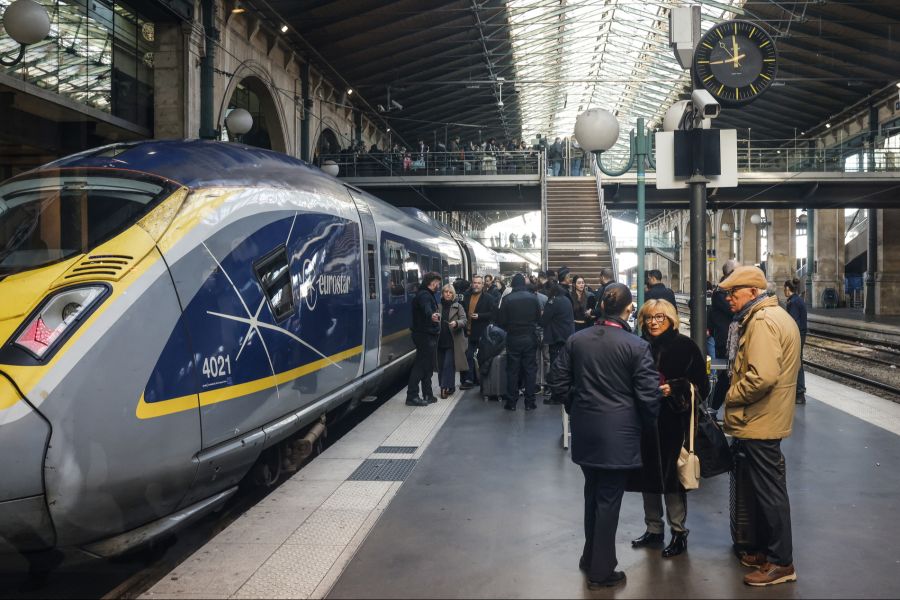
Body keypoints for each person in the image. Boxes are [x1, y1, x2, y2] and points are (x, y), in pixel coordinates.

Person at [548, 283, 660, 589]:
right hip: (619, 434)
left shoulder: (576, 340)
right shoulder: (637, 346)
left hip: (586, 429)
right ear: (628, 309)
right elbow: (649, 397)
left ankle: (590, 555)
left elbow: (556, 382)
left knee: (592, 493)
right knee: (609, 499)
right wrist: (645, 423)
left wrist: (575, 405)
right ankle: (601, 570)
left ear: (599, 307)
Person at [719, 266, 800, 587]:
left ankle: (781, 562)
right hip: (765, 417)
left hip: (761, 418)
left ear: (753, 293)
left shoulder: (763, 323)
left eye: (734, 294)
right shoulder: (771, 316)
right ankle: (769, 552)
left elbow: (762, 376)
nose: (728, 300)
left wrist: (731, 396)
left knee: (770, 492)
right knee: (766, 489)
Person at [627, 299, 709, 558]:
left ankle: (678, 532)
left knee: (673, 478)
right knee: (647, 477)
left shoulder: (686, 347)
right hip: (643, 421)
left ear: (671, 319)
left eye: (660, 317)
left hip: (675, 422)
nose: (653, 322)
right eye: (649, 318)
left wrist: (676, 388)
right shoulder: (636, 345)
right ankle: (653, 529)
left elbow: (703, 388)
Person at [497, 273, 541, 411]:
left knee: (512, 370)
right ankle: (530, 402)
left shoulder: (507, 299)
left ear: (513, 284)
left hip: (513, 337)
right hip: (529, 337)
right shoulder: (534, 298)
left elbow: (501, 321)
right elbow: (538, 317)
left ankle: (511, 402)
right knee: (530, 370)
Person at [406, 272, 443, 406]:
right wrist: (432, 315)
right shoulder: (424, 295)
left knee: (427, 366)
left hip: (427, 334)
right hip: (424, 335)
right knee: (421, 365)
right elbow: (427, 309)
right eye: (438, 283)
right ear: (432, 283)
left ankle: (428, 394)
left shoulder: (426, 294)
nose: (438, 286)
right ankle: (412, 396)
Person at [709, 260, 739, 411]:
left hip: (731, 339)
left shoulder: (727, 290)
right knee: (726, 377)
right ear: (730, 274)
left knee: (730, 376)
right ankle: (713, 409)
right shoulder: (721, 292)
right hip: (726, 341)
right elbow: (733, 310)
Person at [460, 275, 498, 389]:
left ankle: (481, 380)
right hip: (468, 332)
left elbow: (493, 314)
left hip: (482, 333)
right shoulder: (466, 296)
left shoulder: (489, 298)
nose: (476, 285)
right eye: (474, 282)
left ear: (483, 285)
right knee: (469, 356)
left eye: (478, 283)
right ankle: (470, 379)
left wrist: (480, 316)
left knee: (482, 357)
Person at [540, 282, 574, 404]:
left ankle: (556, 396)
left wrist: (541, 315)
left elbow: (543, 321)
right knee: (565, 366)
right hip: (567, 337)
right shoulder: (566, 300)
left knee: (556, 367)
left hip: (556, 338)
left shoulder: (553, 302)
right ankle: (565, 392)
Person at [436, 284, 468, 399]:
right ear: (443, 293)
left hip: (452, 341)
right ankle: (450, 386)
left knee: (447, 366)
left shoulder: (458, 306)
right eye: (446, 292)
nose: (448, 294)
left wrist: (456, 323)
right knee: (441, 366)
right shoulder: (437, 306)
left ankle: (443, 388)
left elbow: (464, 320)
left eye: (450, 292)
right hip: (439, 341)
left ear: (453, 294)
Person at [784, 279, 808, 404]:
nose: (784, 291)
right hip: (801, 333)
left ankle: (799, 393)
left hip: (797, 335)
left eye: (784, 289)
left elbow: (792, 322)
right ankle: (798, 392)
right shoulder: (798, 300)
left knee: (797, 363)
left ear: (788, 289)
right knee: (798, 362)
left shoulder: (793, 302)